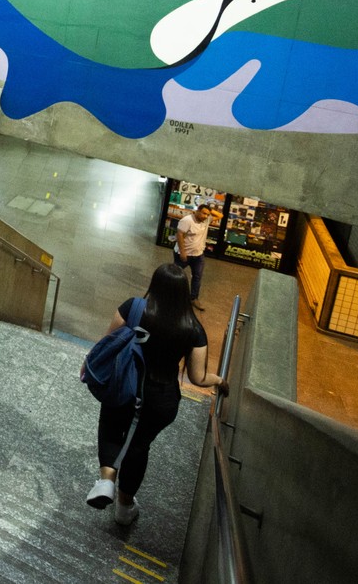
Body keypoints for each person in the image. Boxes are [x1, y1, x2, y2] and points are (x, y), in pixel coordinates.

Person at [86, 263, 224, 525]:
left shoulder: (134, 308)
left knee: (112, 426)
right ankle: (125, 509)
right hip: (161, 398)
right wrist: (220, 381)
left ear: (154, 285)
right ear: (184, 292)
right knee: (139, 446)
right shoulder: (194, 328)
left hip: (126, 384)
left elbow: (108, 341)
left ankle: (106, 480)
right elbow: (198, 377)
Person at [173, 200, 209, 308]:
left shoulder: (206, 220)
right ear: (197, 211)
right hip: (184, 254)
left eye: (207, 214)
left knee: (197, 276)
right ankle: (169, 294)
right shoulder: (187, 220)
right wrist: (183, 252)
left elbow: (220, 215)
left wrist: (209, 209)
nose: (205, 216)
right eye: (203, 213)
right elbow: (179, 235)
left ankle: (194, 298)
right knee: (175, 275)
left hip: (198, 255)